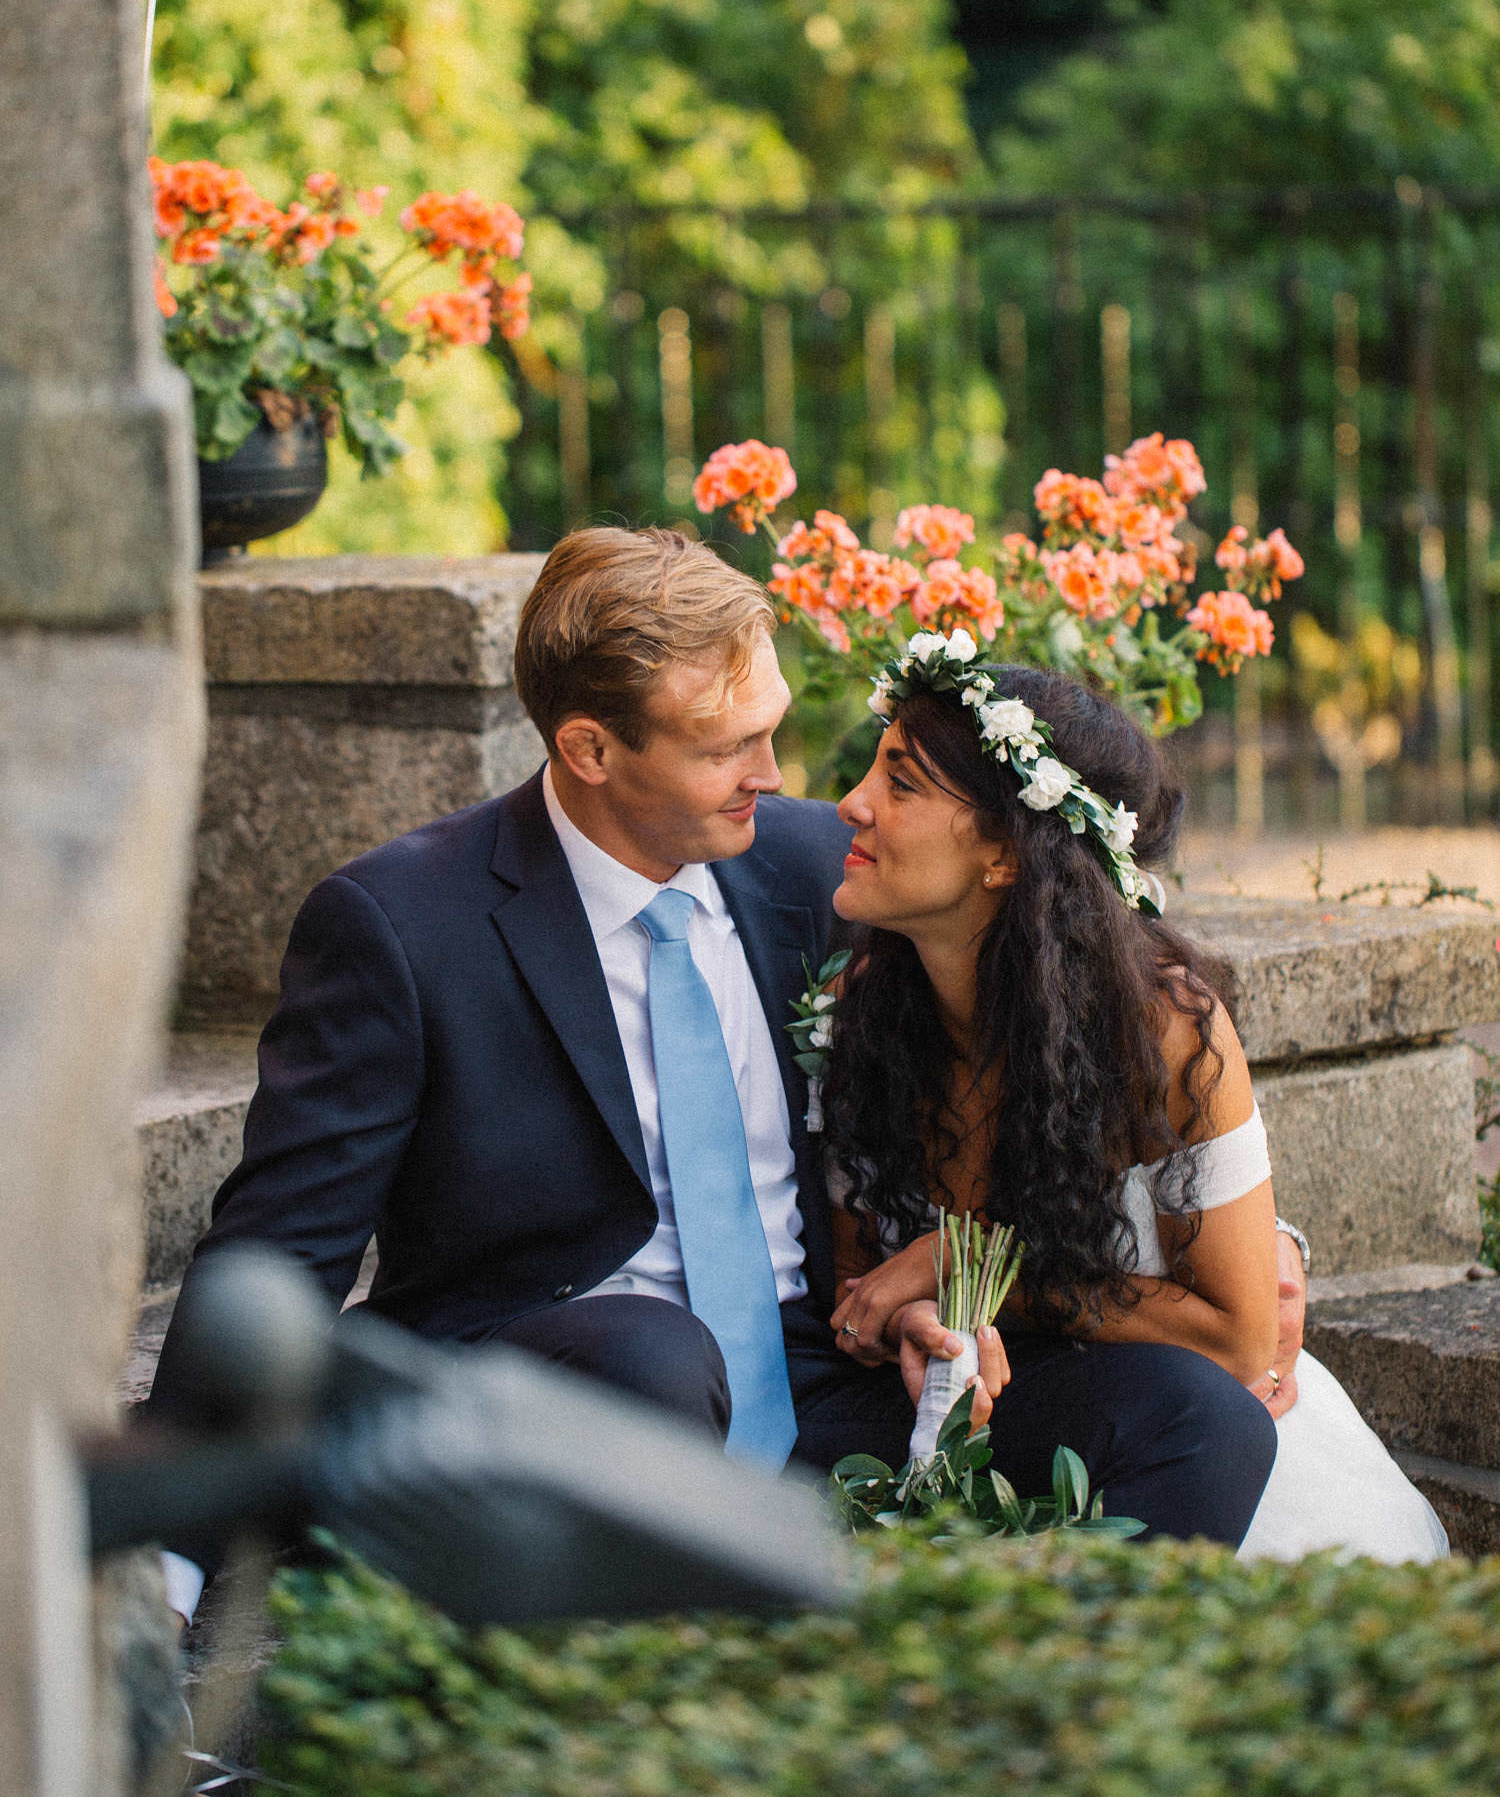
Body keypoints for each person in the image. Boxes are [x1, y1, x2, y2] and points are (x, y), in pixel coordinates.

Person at [148, 532, 1277, 1622]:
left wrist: (1212, 1242)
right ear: (591, 750)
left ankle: (1045, 1716)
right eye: (727, 745)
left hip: (819, 1384)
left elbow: (1050, 1025)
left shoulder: (808, 868)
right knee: (653, 1350)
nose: (778, 777)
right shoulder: (401, 925)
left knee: (1200, 1420)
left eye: (772, 730)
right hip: (561, 1393)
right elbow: (278, 1251)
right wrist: (167, 1550)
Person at [821, 635, 1448, 1564]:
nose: (850, 804)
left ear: (1005, 855)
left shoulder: (1164, 1031)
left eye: (902, 784)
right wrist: (918, 1318)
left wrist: (976, 1269)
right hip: (961, 1412)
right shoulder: (861, 1005)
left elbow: (1239, 1344)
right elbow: (856, 1293)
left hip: (1162, 1415)